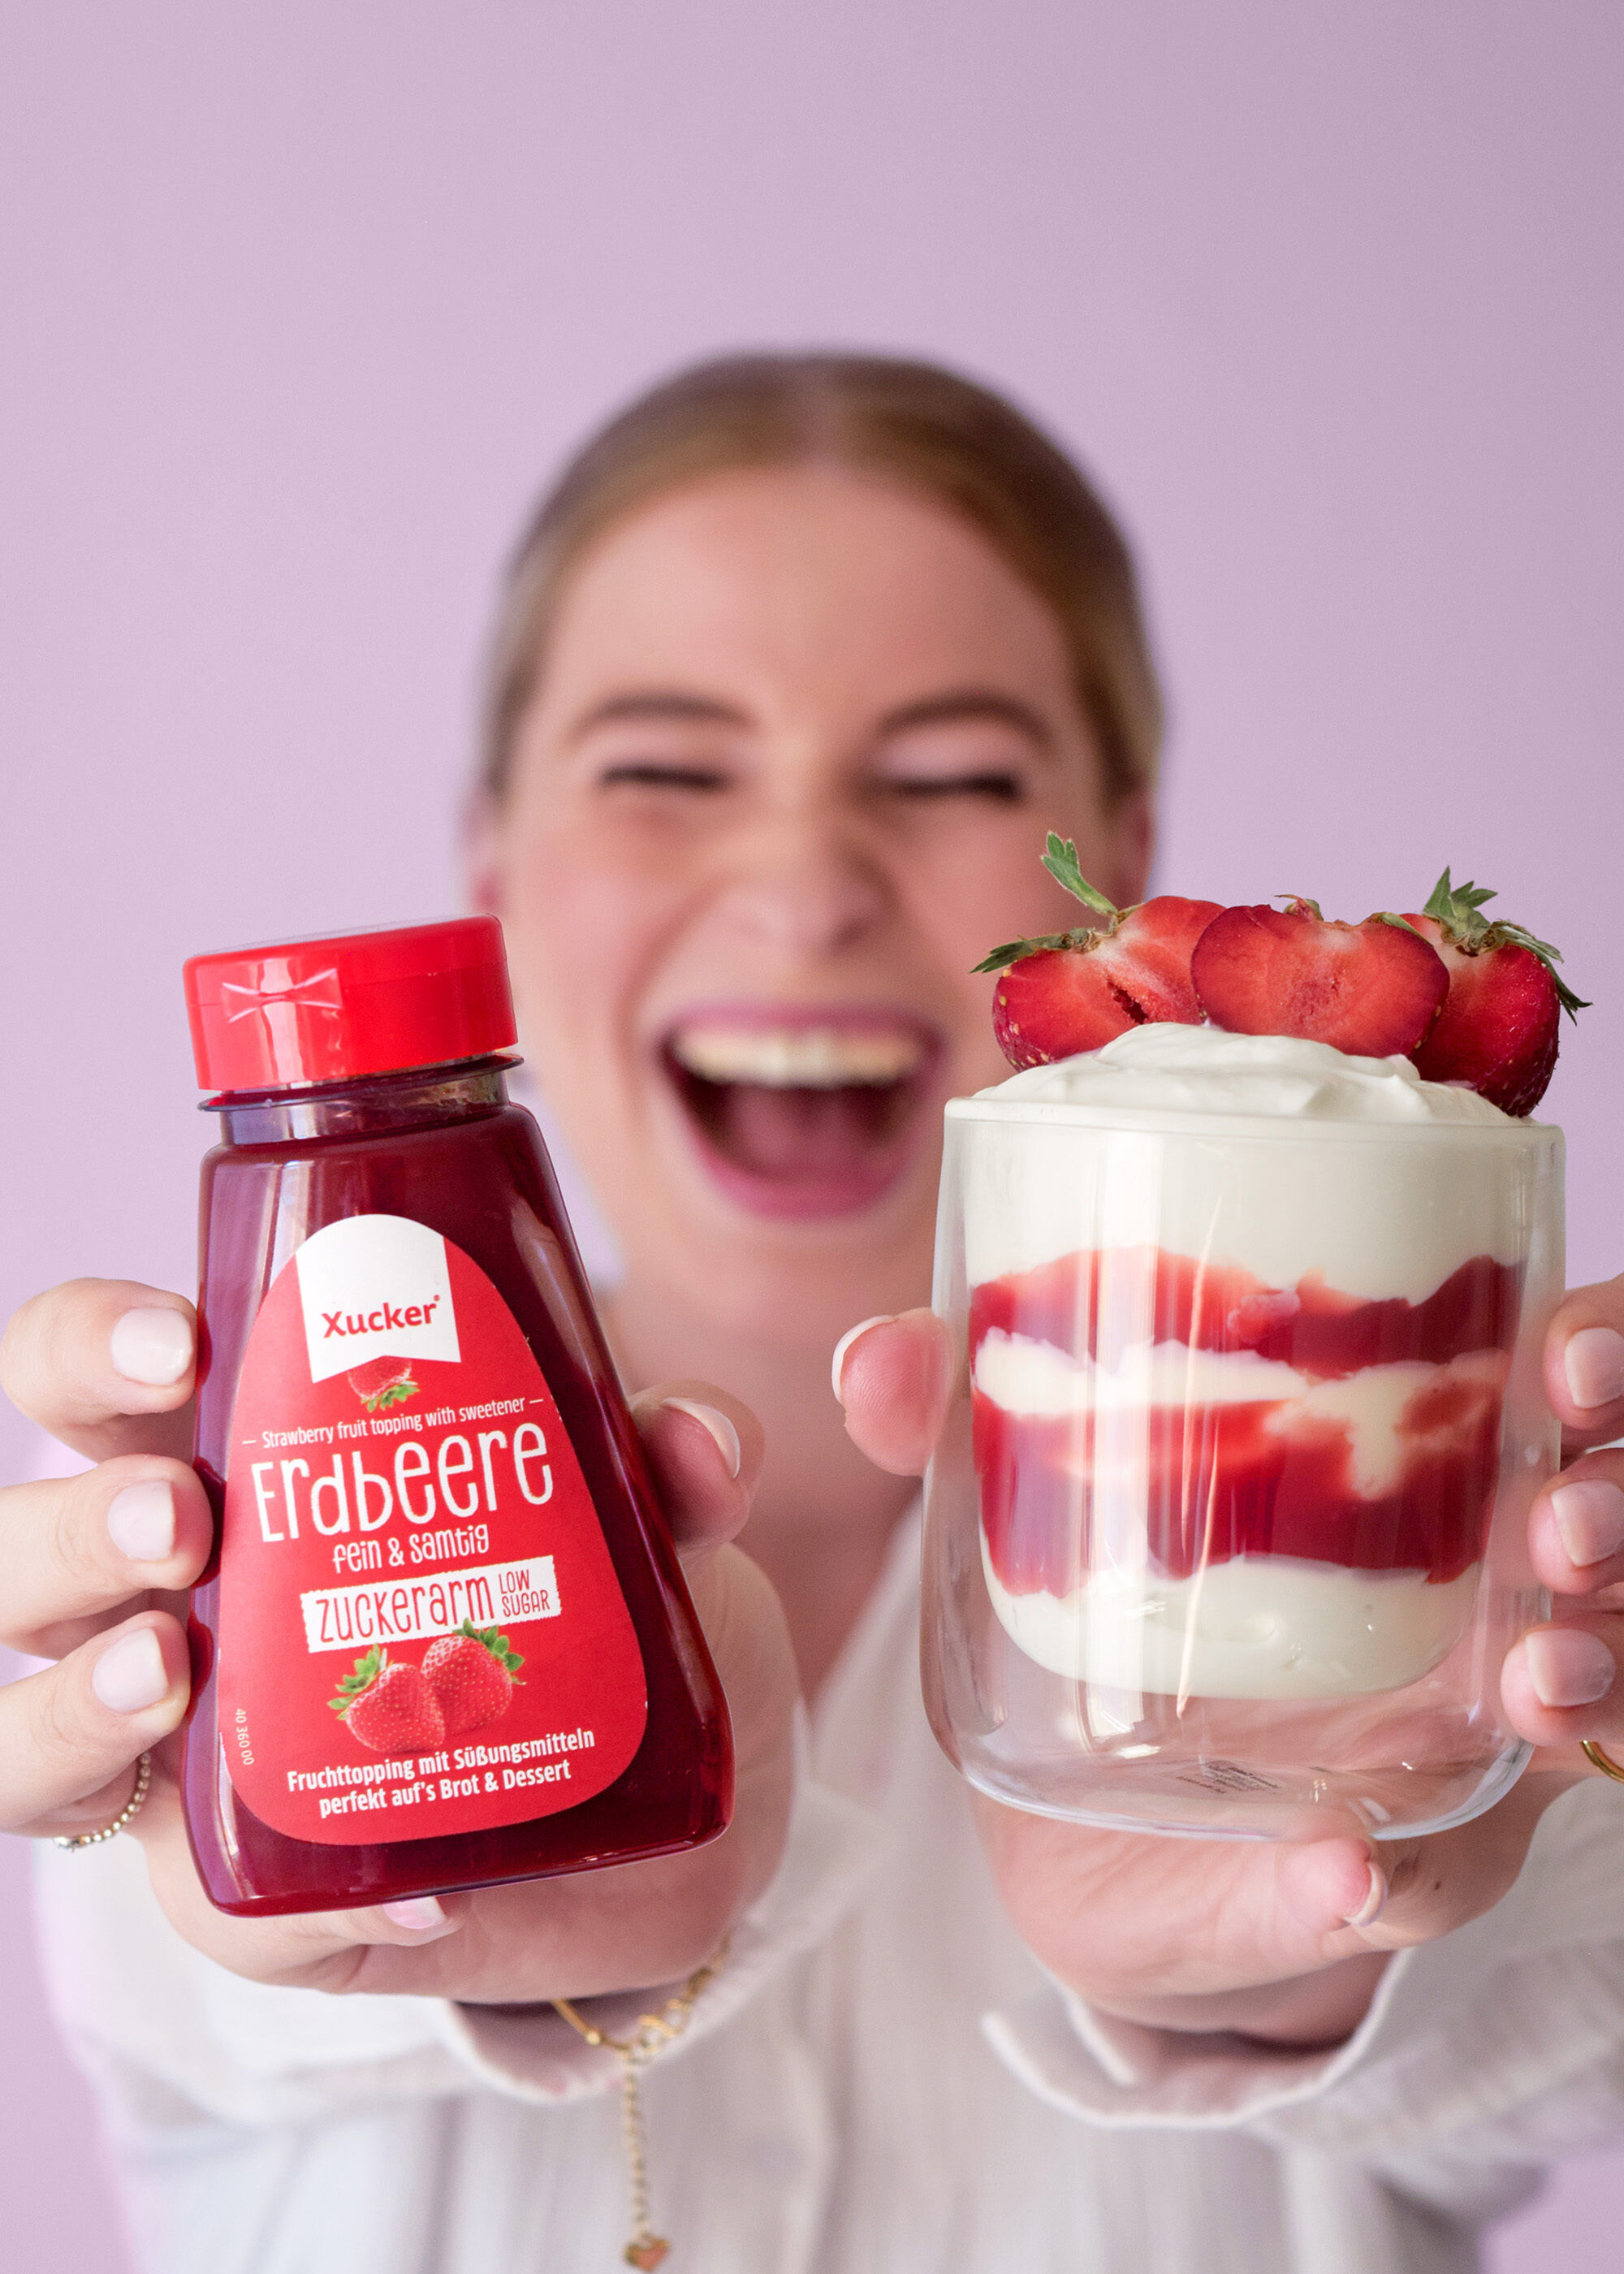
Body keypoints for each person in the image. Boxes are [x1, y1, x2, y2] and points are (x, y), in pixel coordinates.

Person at [5, 352, 1624, 2273]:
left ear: (1117, 866)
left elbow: (1525, 2036)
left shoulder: (1456, 1547)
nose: (796, 885)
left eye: (944, 776)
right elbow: (223, 2010)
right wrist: (437, 1909)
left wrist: (1289, 1945)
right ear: (491, 868)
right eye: (664, 770)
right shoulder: (228, 1573)